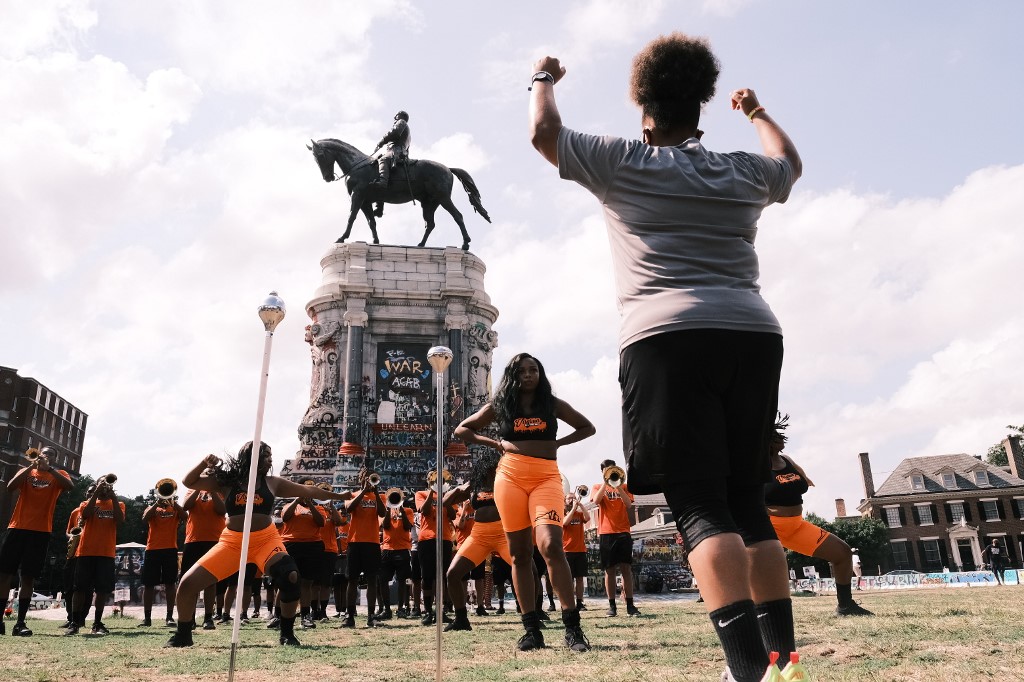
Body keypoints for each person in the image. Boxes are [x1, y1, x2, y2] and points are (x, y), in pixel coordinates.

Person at [528, 33, 802, 682]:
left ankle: (748, 673)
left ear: (643, 108)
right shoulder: (741, 170)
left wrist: (543, 74)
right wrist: (758, 112)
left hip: (665, 339)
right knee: (746, 502)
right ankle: (785, 664)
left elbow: (545, 132)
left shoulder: (625, 162)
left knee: (699, 505)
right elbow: (789, 164)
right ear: (701, 105)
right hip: (754, 334)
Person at [455, 352, 596, 652]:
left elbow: (587, 427)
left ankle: (573, 628)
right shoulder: (502, 406)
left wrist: (558, 443)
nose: (528, 375)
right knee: (519, 555)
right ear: (513, 376)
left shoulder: (552, 404)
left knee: (551, 546)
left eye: (533, 370)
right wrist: (493, 443)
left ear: (540, 374)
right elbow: (462, 429)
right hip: (510, 478)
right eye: (522, 372)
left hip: (546, 477)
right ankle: (532, 630)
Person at [166, 442, 351, 647]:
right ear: (251, 458)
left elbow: (308, 490)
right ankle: (183, 635)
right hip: (232, 542)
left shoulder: (272, 483)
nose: (270, 460)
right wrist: (204, 463)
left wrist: (339, 496)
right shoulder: (227, 481)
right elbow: (188, 481)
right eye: (266, 456)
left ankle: (287, 634)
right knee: (186, 584)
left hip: (266, 540)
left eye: (271, 455)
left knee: (290, 576)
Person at [765, 415, 872, 617]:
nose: (781, 437)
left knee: (842, 553)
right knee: (771, 571)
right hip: (769, 527)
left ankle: (845, 606)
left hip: (796, 526)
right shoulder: (754, 465)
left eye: (780, 433)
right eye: (774, 434)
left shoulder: (786, 460)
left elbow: (803, 481)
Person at [0, 447, 73, 636]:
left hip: (40, 531)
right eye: (44, 453)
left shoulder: (58, 474)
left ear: (54, 460)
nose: (45, 456)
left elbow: (70, 487)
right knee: (5, 574)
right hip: (16, 527)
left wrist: (49, 469)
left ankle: (20, 623)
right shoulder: (27, 471)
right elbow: (10, 487)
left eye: (50, 455)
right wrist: (30, 465)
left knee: (28, 577)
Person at [442, 450, 512, 631]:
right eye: (488, 469)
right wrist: (460, 489)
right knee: (453, 574)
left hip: (503, 533)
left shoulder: (505, 480)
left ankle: (534, 614)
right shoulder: (476, 485)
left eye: (494, 468)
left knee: (530, 570)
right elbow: (445, 501)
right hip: (479, 535)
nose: (491, 471)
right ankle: (461, 619)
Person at [66, 475, 125, 636]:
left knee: (102, 590)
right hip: (85, 552)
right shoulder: (85, 503)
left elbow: (119, 520)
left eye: (108, 483)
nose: (105, 485)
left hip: (106, 553)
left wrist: (112, 496)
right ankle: (74, 622)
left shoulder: (118, 504)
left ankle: (97, 623)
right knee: (80, 589)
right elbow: (85, 514)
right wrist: (97, 492)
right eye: (102, 482)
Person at [591, 459, 640, 617]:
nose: (610, 472)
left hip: (623, 531)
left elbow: (628, 505)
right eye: (607, 470)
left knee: (626, 568)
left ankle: (630, 606)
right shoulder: (598, 487)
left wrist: (618, 485)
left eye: (612, 469)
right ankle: (612, 606)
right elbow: (597, 501)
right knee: (609, 570)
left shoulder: (624, 486)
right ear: (603, 472)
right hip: (606, 532)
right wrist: (606, 483)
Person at [342, 467, 386, 628]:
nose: (369, 480)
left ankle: (371, 615)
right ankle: (349, 616)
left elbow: (382, 513)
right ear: (360, 478)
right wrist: (363, 492)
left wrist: (375, 493)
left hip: (372, 542)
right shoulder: (352, 494)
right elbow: (349, 508)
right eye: (366, 478)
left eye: (372, 478)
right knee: (352, 579)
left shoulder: (379, 496)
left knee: (372, 579)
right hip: (355, 541)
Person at [180, 488, 227, 630]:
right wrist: (197, 489)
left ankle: (208, 618)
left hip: (214, 539)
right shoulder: (191, 490)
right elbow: (186, 506)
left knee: (210, 581)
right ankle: (190, 618)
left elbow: (221, 510)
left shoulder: (220, 491)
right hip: (193, 540)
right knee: (190, 580)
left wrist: (212, 491)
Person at [415, 470, 458, 625]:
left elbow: (453, 515)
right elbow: (424, 511)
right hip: (427, 539)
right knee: (427, 577)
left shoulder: (447, 495)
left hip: (445, 539)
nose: (436, 482)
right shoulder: (420, 494)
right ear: (428, 481)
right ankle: (427, 611)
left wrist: (444, 498)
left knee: (442, 577)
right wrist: (431, 492)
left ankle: (441, 611)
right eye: (433, 480)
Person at [280, 487, 326, 629]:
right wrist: (297, 500)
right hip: (291, 545)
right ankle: (278, 615)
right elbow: (285, 517)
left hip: (312, 545)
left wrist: (310, 504)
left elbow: (321, 522)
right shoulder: (289, 506)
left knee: (306, 582)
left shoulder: (319, 507)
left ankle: (305, 615)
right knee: (287, 581)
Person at [139, 490, 186, 627]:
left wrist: (174, 503)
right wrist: (156, 503)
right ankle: (147, 618)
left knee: (170, 583)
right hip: (152, 549)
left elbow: (185, 516)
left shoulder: (175, 508)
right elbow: (145, 518)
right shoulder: (152, 508)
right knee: (149, 584)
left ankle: (169, 617)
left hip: (170, 549)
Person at [379, 488, 414, 620]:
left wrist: (402, 510)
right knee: (383, 579)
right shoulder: (385, 511)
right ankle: (386, 609)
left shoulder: (409, 511)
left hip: (403, 549)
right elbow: (386, 526)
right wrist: (389, 508)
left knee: (402, 581)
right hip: (387, 549)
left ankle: (401, 609)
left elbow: (407, 526)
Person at [369, 110, 412, 216]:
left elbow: (395, 132)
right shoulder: (407, 129)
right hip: (398, 150)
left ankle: (383, 182)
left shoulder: (401, 122)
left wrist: (382, 140)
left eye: (396, 116)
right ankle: (379, 207)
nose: (394, 118)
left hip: (396, 150)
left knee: (383, 160)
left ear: (401, 116)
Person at [562, 490, 591, 611]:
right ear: (565, 501)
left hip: (580, 550)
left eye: (573, 498)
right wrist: (573, 508)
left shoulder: (579, 514)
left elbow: (588, 517)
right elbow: (565, 522)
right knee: (569, 579)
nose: (571, 500)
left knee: (579, 579)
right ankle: (569, 603)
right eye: (569, 498)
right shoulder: (562, 513)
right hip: (567, 551)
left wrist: (581, 505)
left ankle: (580, 603)